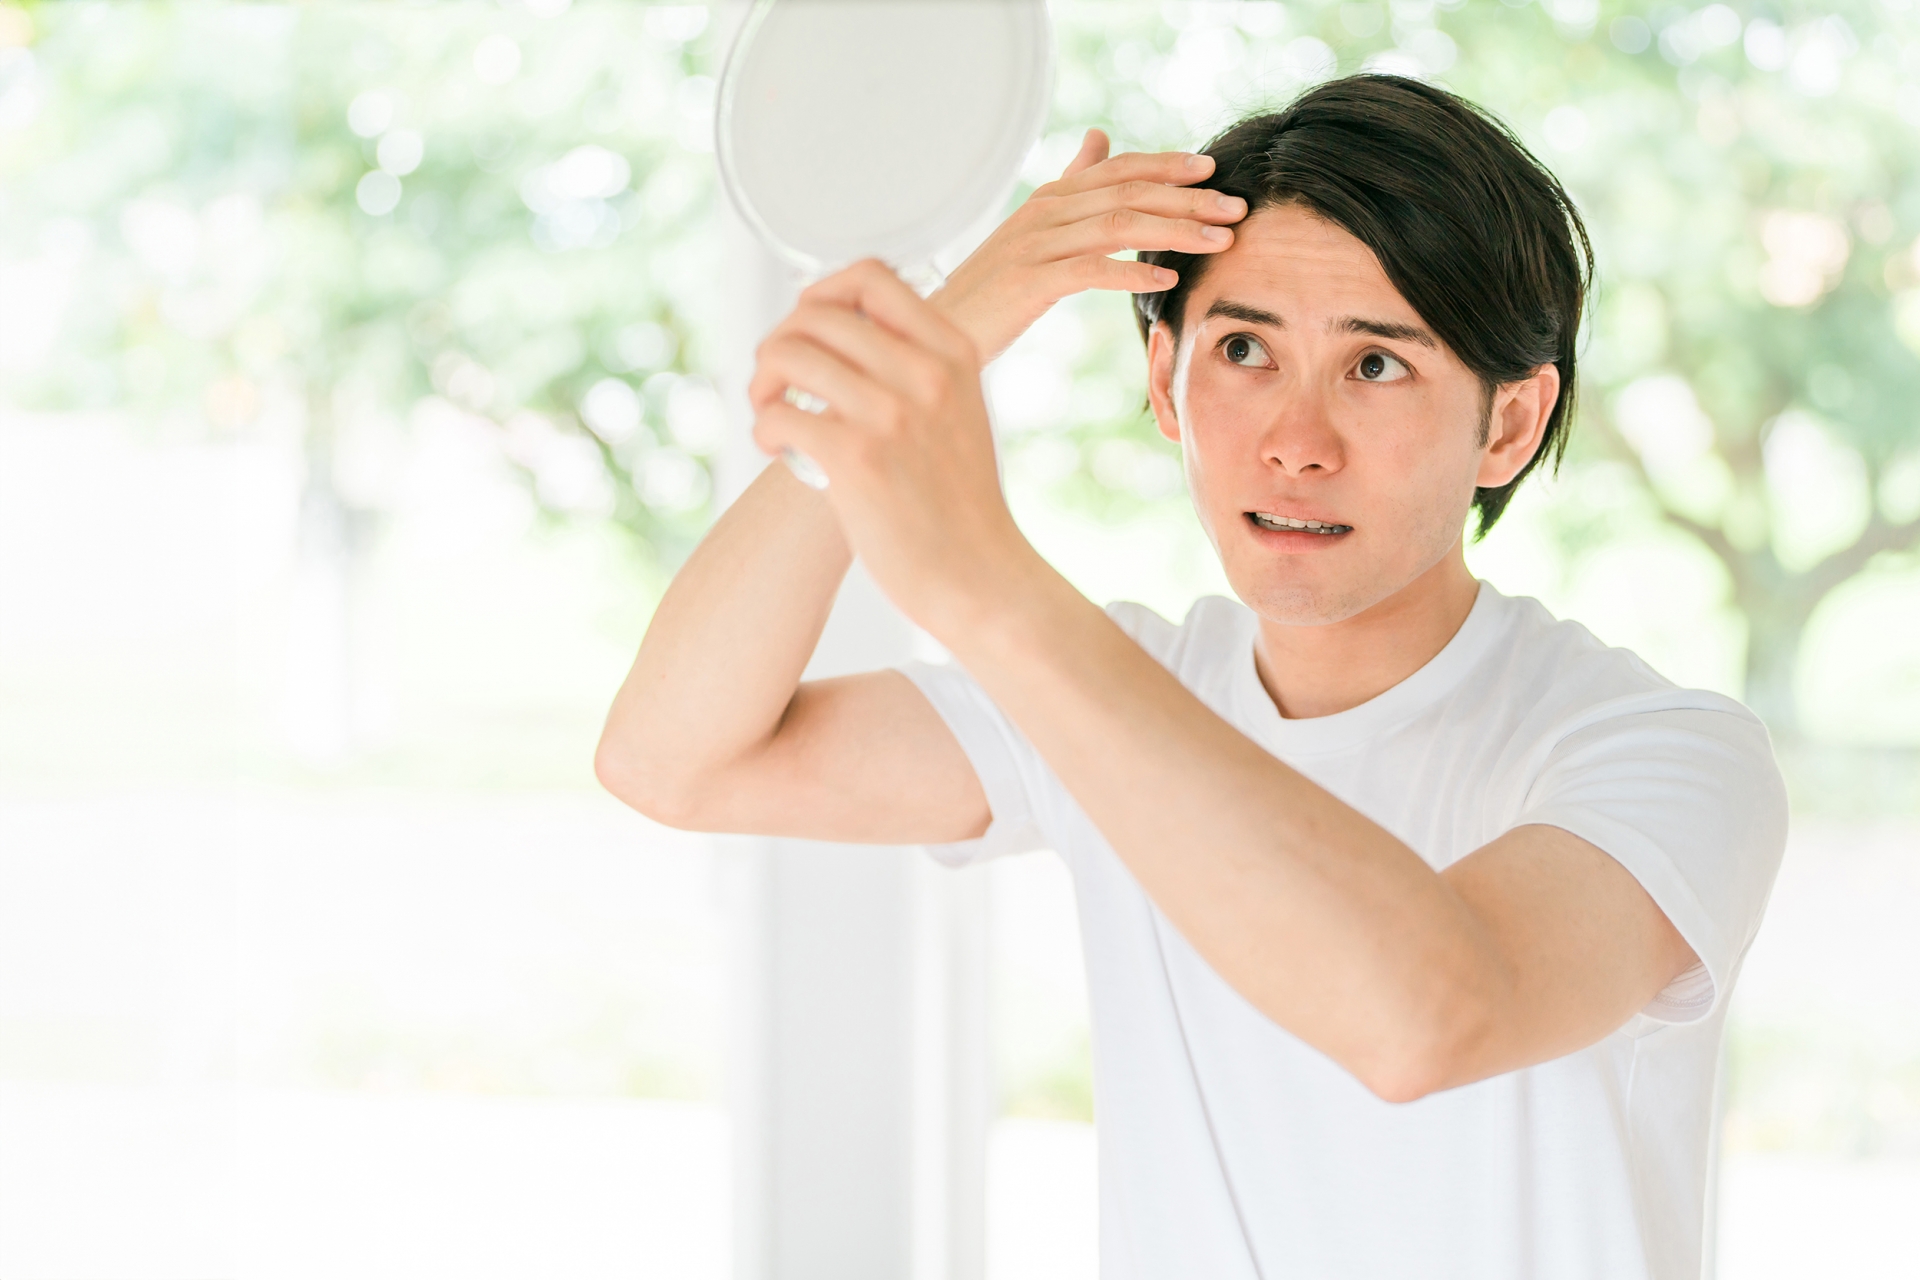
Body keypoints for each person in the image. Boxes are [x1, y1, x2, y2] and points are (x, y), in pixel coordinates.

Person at [595, 74, 1786, 1280]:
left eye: (1377, 365)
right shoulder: (1123, 685)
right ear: (1164, 379)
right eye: (1243, 349)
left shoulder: (1663, 751)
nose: (1295, 442)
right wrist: (940, 337)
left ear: (1510, 424)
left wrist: (981, 578)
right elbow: (672, 757)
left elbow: (1428, 1016)